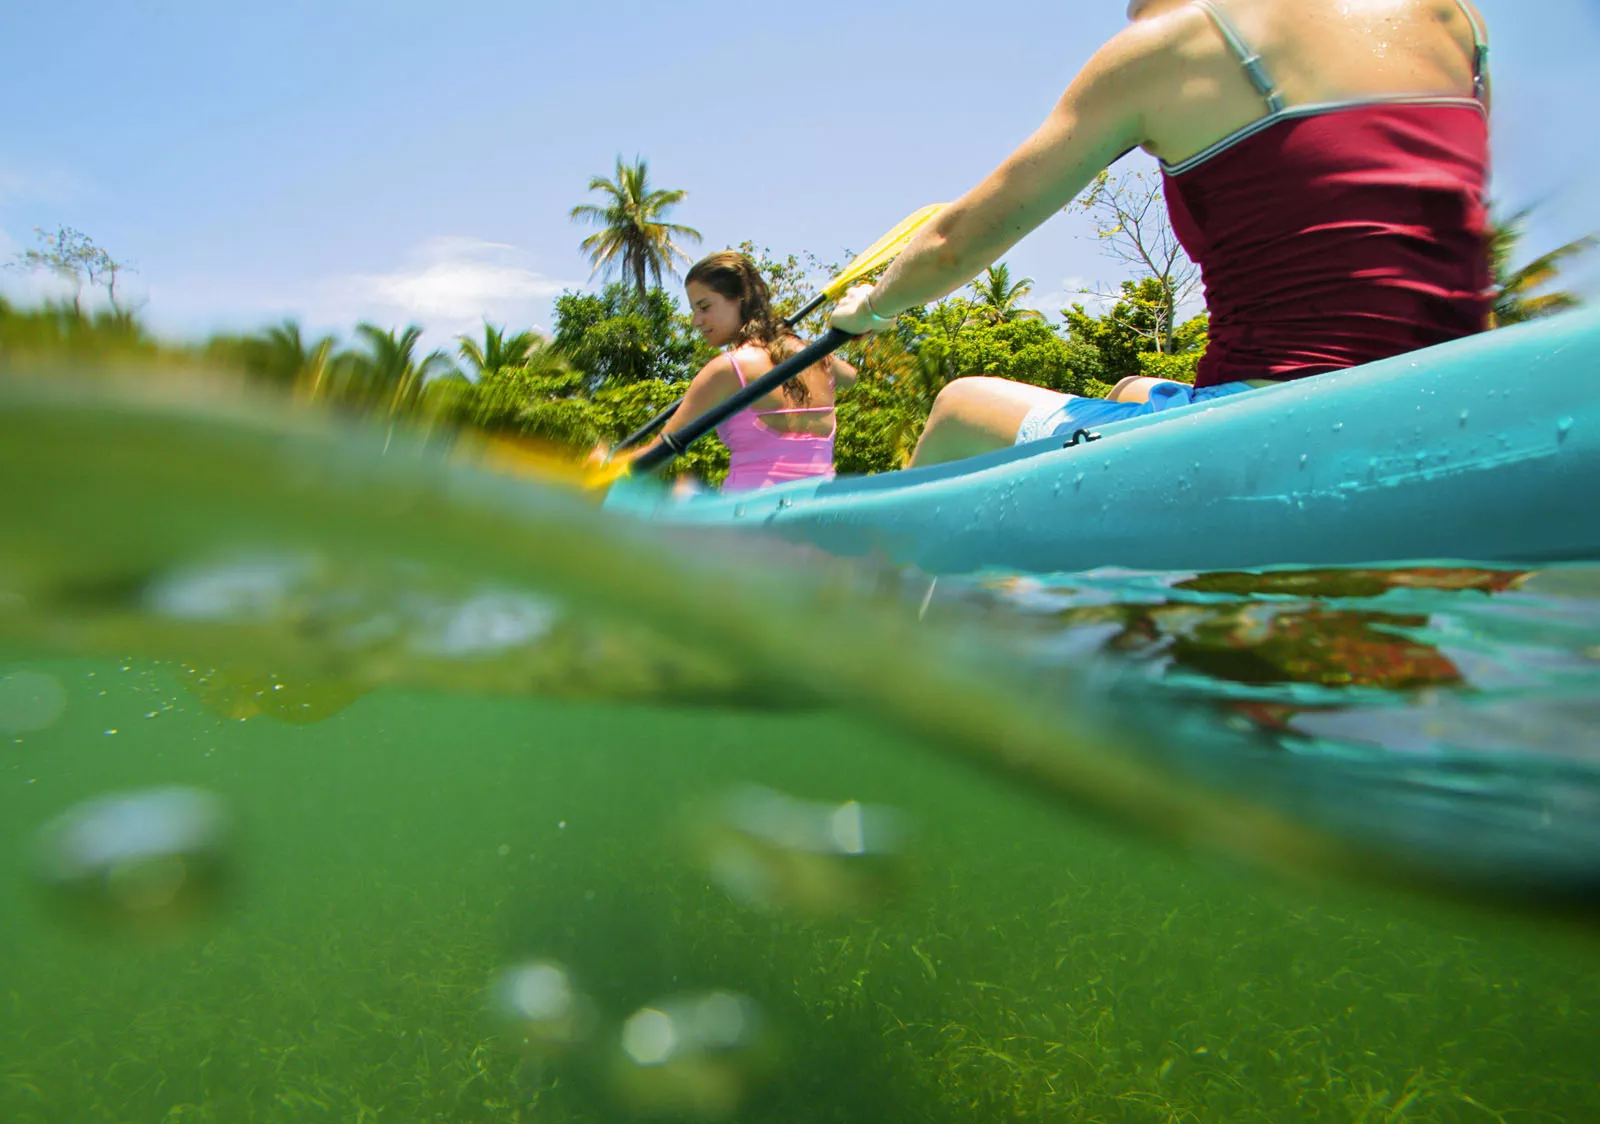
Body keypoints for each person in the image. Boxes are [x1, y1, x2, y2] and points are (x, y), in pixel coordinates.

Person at [832, 0, 1492, 467]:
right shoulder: (1454, 20)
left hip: (1260, 436)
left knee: (959, 408)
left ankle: (870, 653)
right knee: (1130, 391)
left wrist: (872, 305)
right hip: (1455, 405)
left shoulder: (1176, 46)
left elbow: (955, 243)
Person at [602, 251, 857, 491]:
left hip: (750, 518)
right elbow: (850, 377)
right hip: (817, 516)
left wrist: (604, 464)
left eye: (704, 307)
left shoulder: (728, 368)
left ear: (739, 300)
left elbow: (656, 457)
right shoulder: (816, 357)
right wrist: (793, 340)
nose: (696, 321)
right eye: (694, 310)